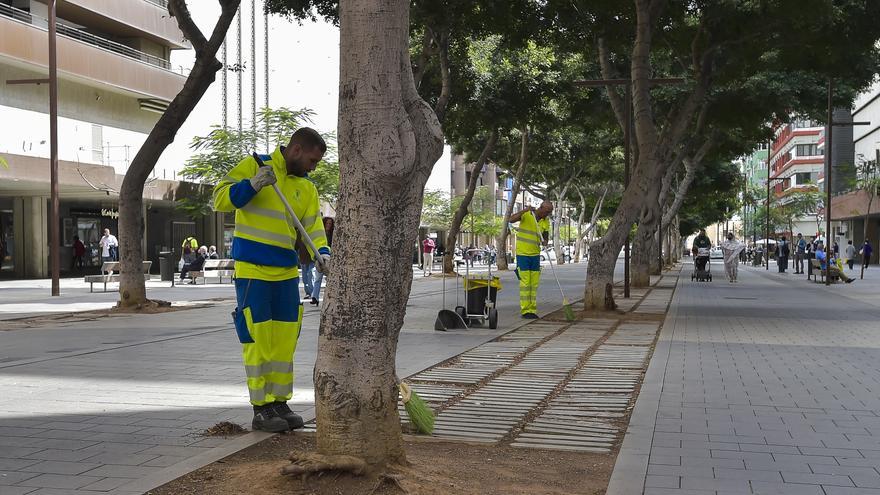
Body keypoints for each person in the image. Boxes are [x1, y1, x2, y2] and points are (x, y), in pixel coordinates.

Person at [213, 127, 330, 433]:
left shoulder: (307, 189)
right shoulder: (256, 165)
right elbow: (220, 198)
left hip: (286, 275)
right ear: (296, 150)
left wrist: (324, 254)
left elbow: (313, 227)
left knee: (283, 342)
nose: (313, 167)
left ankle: (279, 402)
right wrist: (251, 186)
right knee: (258, 340)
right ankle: (261, 407)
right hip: (253, 271)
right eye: (312, 160)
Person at [510, 200, 553, 319]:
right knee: (525, 283)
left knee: (533, 284)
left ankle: (532, 309)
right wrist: (524, 210)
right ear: (541, 208)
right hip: (523, 254)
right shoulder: (527, 215)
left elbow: (545, 235)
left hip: (535, 254)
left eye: (550, 212)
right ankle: (525, 310)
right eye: (547, 211)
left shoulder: (545, 221)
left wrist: (545, 241)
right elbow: (511, 219)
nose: (548, 214)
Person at [310, 217, 335, 305]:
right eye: (327, 223)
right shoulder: (320, 235)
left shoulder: (334, 235)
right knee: (318, 278)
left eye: (330, 224)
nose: (328, 225)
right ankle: (314, 297)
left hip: (330, 258)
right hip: (321, 256)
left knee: (329, 278)